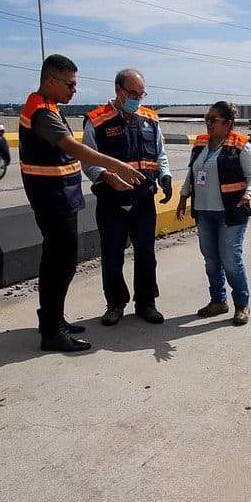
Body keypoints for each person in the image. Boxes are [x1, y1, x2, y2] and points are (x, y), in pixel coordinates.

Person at [19, 54, 143, 352]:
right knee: (60, 265)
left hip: (59, 196)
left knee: (58, 262)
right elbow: (73, 148)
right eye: (70, 84)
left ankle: (53, 318)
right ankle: (51, 330)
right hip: (53, 199)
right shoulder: (42, 113)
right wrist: (117, 166)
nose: (74, 90)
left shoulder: (47, 106)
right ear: (51, 81)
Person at [82, 69, 173, 326]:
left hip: (144, 199)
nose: (137, 98)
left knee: (146, 253)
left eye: (141, 93)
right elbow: (88, 159)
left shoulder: (150, 119)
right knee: (112, 254)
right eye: (132, 93)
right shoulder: (97, 120)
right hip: (112, 200)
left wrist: (164, 176)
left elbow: (160, 154)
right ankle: (115, 304)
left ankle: (146, 302)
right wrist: (105, 176)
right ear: (118, 90)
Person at [176, 101, 251, 326]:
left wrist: (249, 194)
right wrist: (183, 197)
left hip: (231, 212)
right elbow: (192, 172)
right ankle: (218, 301)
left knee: (231, 258)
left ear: (228, 123)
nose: (208, 123)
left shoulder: (241, 145)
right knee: (211, 259)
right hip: (204, 212)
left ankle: (242, 304)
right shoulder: (201, 143)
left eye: (213, 119)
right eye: (207, 118)